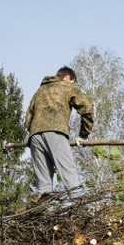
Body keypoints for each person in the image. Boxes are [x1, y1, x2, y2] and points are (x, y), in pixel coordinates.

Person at [25, 66, 94, 198]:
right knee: (69, 176)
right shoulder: (67, 87)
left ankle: (46, 214)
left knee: (44, 186)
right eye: (73, 82)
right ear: (68, 78)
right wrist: (83, 134)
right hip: (55, 133)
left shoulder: (39, 91)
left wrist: (36, 131)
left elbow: (28, 119)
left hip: (34, 136)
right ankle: (81, 210)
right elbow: (87, 107)